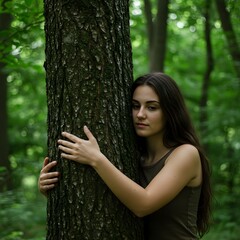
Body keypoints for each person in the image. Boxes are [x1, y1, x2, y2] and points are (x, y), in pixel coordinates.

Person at [39, 72, 212, 239]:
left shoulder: (186, 154)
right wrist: (56, 188)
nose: (140, 114)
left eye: (152, 107)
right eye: (135, 106)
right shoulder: (135, 156)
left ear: (170, 112)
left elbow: (143, 204)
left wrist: (96, 159)